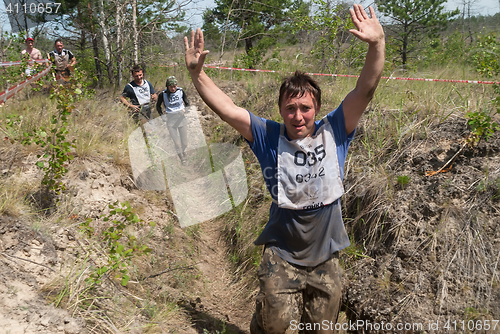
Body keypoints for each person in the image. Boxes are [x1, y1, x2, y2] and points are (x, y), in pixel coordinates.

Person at [184, 4, 385, 333]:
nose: (298, 116)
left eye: (305, 108)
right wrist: (197, 74)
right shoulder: (268, 135)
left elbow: (366, 89)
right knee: (274, 326)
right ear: (280, 110)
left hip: (326, 256)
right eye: (290, 108)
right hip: (282, 255)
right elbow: (227, 109)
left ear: (316, 109)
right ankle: (261, 321)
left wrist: (377, 45)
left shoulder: (335, 129)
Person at [156, 76, 190, 163]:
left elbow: (187, 103)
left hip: (181, 119)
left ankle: (183, 151)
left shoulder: (180, 91)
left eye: (175, 86)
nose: (173, 88)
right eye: (171, 87)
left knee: (184, 143)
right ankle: (182, 159)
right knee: (177, 144)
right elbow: (158, 106)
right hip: (170, 120)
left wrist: (185, 110)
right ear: (167, 86)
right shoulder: (162, 94)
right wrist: (162, 116)